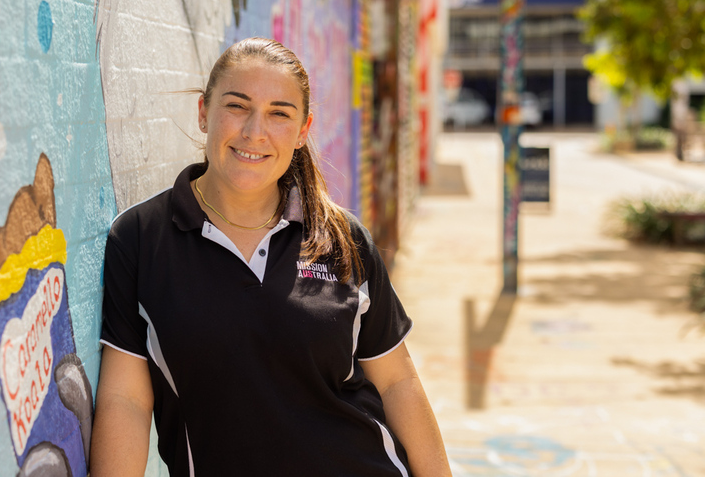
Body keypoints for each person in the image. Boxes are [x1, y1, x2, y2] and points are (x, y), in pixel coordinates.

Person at [90, 37, 452, 476]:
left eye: (279, 113)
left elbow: (397, 383)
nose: (254, 132)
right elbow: (124, 400)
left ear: (302, 131)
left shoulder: (340, 237)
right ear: (204, 112)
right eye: (237, 106)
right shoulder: (141, 240)